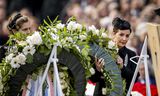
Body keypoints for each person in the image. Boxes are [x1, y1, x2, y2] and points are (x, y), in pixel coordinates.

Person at [90, 17, 137, 95]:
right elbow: (93, 79)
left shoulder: (131, 54)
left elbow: (134, 79)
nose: (124, 39)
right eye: (121, 35)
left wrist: (123, 68)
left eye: (127, 36)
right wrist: (98, 69)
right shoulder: (102, 51)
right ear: (114, 34)